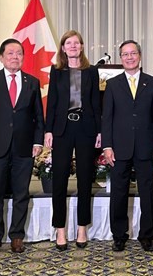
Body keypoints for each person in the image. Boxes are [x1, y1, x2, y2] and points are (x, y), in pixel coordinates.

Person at [0, 38, 44, 254]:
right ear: (1, 57)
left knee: (21, 194)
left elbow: (37, 117)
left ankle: (16, 236)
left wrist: (38, 141)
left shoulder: (32, 82)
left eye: (19, 53)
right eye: (10, 53)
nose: (15, 57)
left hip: (24, 148)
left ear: (23, 57)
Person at [102, 40, 153, 252]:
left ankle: (146, 236)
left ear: (139, 56)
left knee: (148, 191)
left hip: (146, 146)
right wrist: (107, 146)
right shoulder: (112, 84)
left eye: (133, 53)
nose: (129, 57)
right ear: (121, 58)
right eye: (125, 54)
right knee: (118, 192)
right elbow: (107, 117)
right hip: (119, 147)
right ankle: (119, 235)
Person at [44, 30, 101, 251]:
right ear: (63, 47)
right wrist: (48, 130)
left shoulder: (91, 71)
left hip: (86, 129)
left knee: (85, 179)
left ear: (82, 46)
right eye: (69, 43)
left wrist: (99, 131)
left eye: (77, 43)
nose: (73, 46)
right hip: (62, 129)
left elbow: (96, 103)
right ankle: (60, 229)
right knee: (59, 180)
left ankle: (81, 228)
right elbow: (52, 103)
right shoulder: (56, 71)